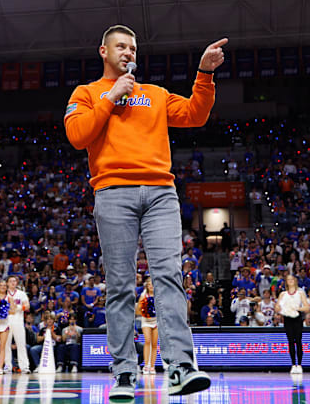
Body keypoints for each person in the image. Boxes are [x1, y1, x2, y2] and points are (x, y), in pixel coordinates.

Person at [64, 23, 226, 399]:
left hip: (159, 193)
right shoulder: (86, 93)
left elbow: (195, 114)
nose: (128, 54)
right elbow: (77, 137)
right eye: (121, 47)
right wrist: (110, 97)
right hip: (112, 192)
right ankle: (123, 372)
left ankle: (181, 366)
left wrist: (204, 74)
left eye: (133, 49)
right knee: (120, 285)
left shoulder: (154, 93)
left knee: (168, 275)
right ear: (103, 51)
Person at [275, 275, 310, 374]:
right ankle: (293, 364)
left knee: (298, 340)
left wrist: (297, 308)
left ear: (295, 281)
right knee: (290, 341)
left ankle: (299, 364)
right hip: (287, 319)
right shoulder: (283, 294)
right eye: (288, 280)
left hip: (297, 318)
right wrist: (279, 308)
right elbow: (277, 307)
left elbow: (307, 307)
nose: (290, 281)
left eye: (292, 279)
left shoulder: (300, 293)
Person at [4, 275, 30, 373]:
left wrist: (18, 308)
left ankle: (24, 367)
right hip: (6, 322)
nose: (13, 283)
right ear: (7, 283)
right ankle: (7, 366)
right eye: (11, 281)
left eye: (14, 281)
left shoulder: (21, 293)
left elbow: (27, 306)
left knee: (21, 344)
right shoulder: (4, 294)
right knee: (6, 345)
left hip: (18, 321)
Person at [135, 278, 158, 374]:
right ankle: (146, 366)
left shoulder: (158, 296)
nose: (151, 286)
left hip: (156, 321)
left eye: (152, 284)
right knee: (147, 341)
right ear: (147, 286)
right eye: (149, 285)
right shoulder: (143, 295)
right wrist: (145, 312)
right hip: (146, 321)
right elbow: (137, 310)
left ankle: (152, 366)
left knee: (154, 344)